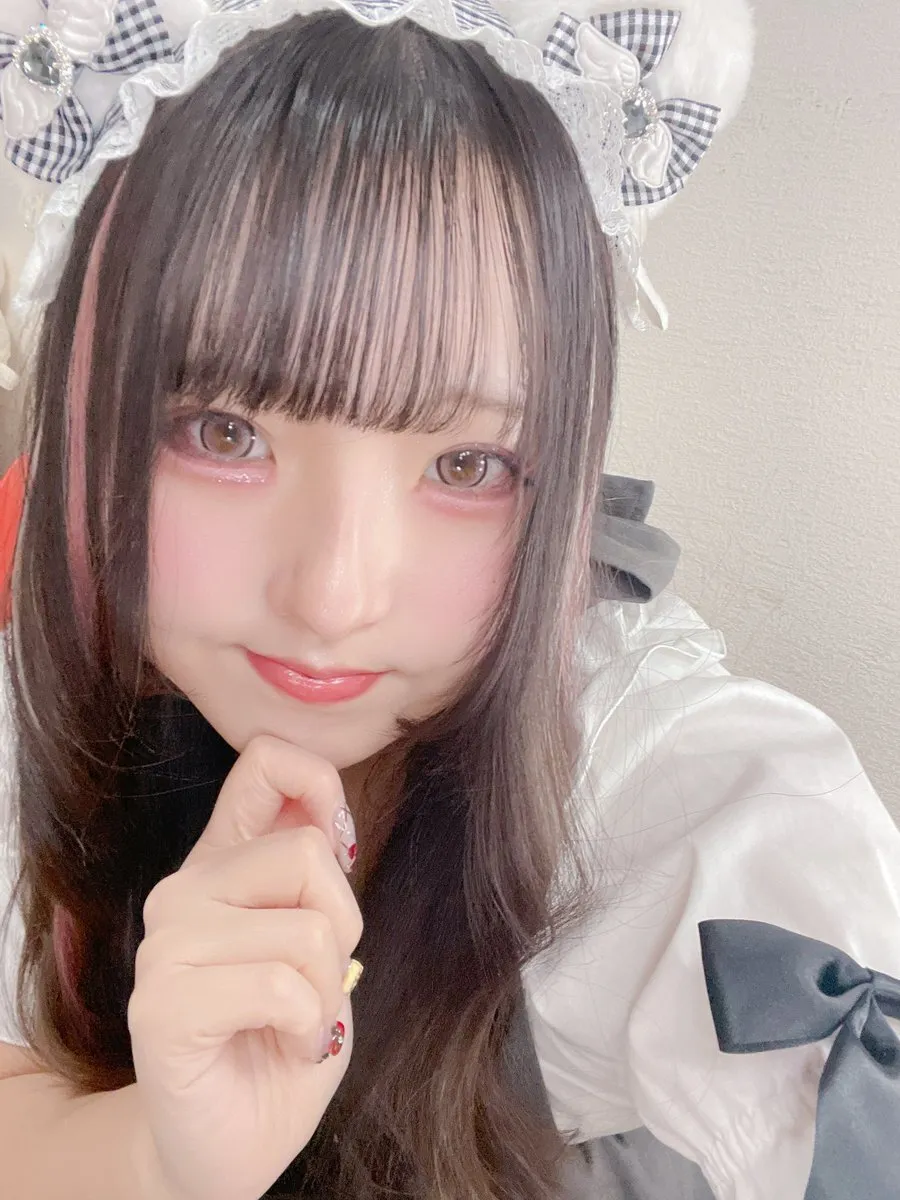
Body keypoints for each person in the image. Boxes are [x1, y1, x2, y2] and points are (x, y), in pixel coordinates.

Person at [0, 3, 897, 1200]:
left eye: (467, 465)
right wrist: (162, 1156)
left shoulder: (645, 777)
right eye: (224, 433)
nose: (332, 597)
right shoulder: (37, 710)